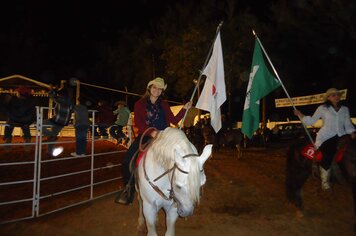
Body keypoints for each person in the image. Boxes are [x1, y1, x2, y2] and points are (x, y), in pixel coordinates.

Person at [117, 77, 192, 205]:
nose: (157, 90)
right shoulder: (140, 104)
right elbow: (139, 122)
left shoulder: (164, 104)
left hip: (164, 135)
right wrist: (151, 131)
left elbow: (173, 120)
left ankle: (183, 185)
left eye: (160, 89)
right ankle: (128, 189)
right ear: (149, 88)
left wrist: (185, 109)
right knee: (127, 161)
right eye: (154, 87)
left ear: (162, 91)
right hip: (146, 134)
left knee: (183, 156)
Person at [293, 88, 356, 190]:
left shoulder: (345, 109)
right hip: (327, 136)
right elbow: (311, 121)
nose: (336, 97)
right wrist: (300, 114)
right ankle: (325, 181)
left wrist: (352, 132)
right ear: (328, 97)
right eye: (333, 95)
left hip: (342, 135)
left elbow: (347, 123)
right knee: (327, 154)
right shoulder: (322, 108)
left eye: (337, 95)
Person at [42, 87, 73, 155]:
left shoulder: (61, 99)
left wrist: (53, 90)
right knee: (54, 133)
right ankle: (50, 150)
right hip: (64, 122)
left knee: (39, 124)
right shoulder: (70, 101)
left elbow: (50, 95)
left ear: (61, 94)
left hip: (57, 120)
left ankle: (50, 135)